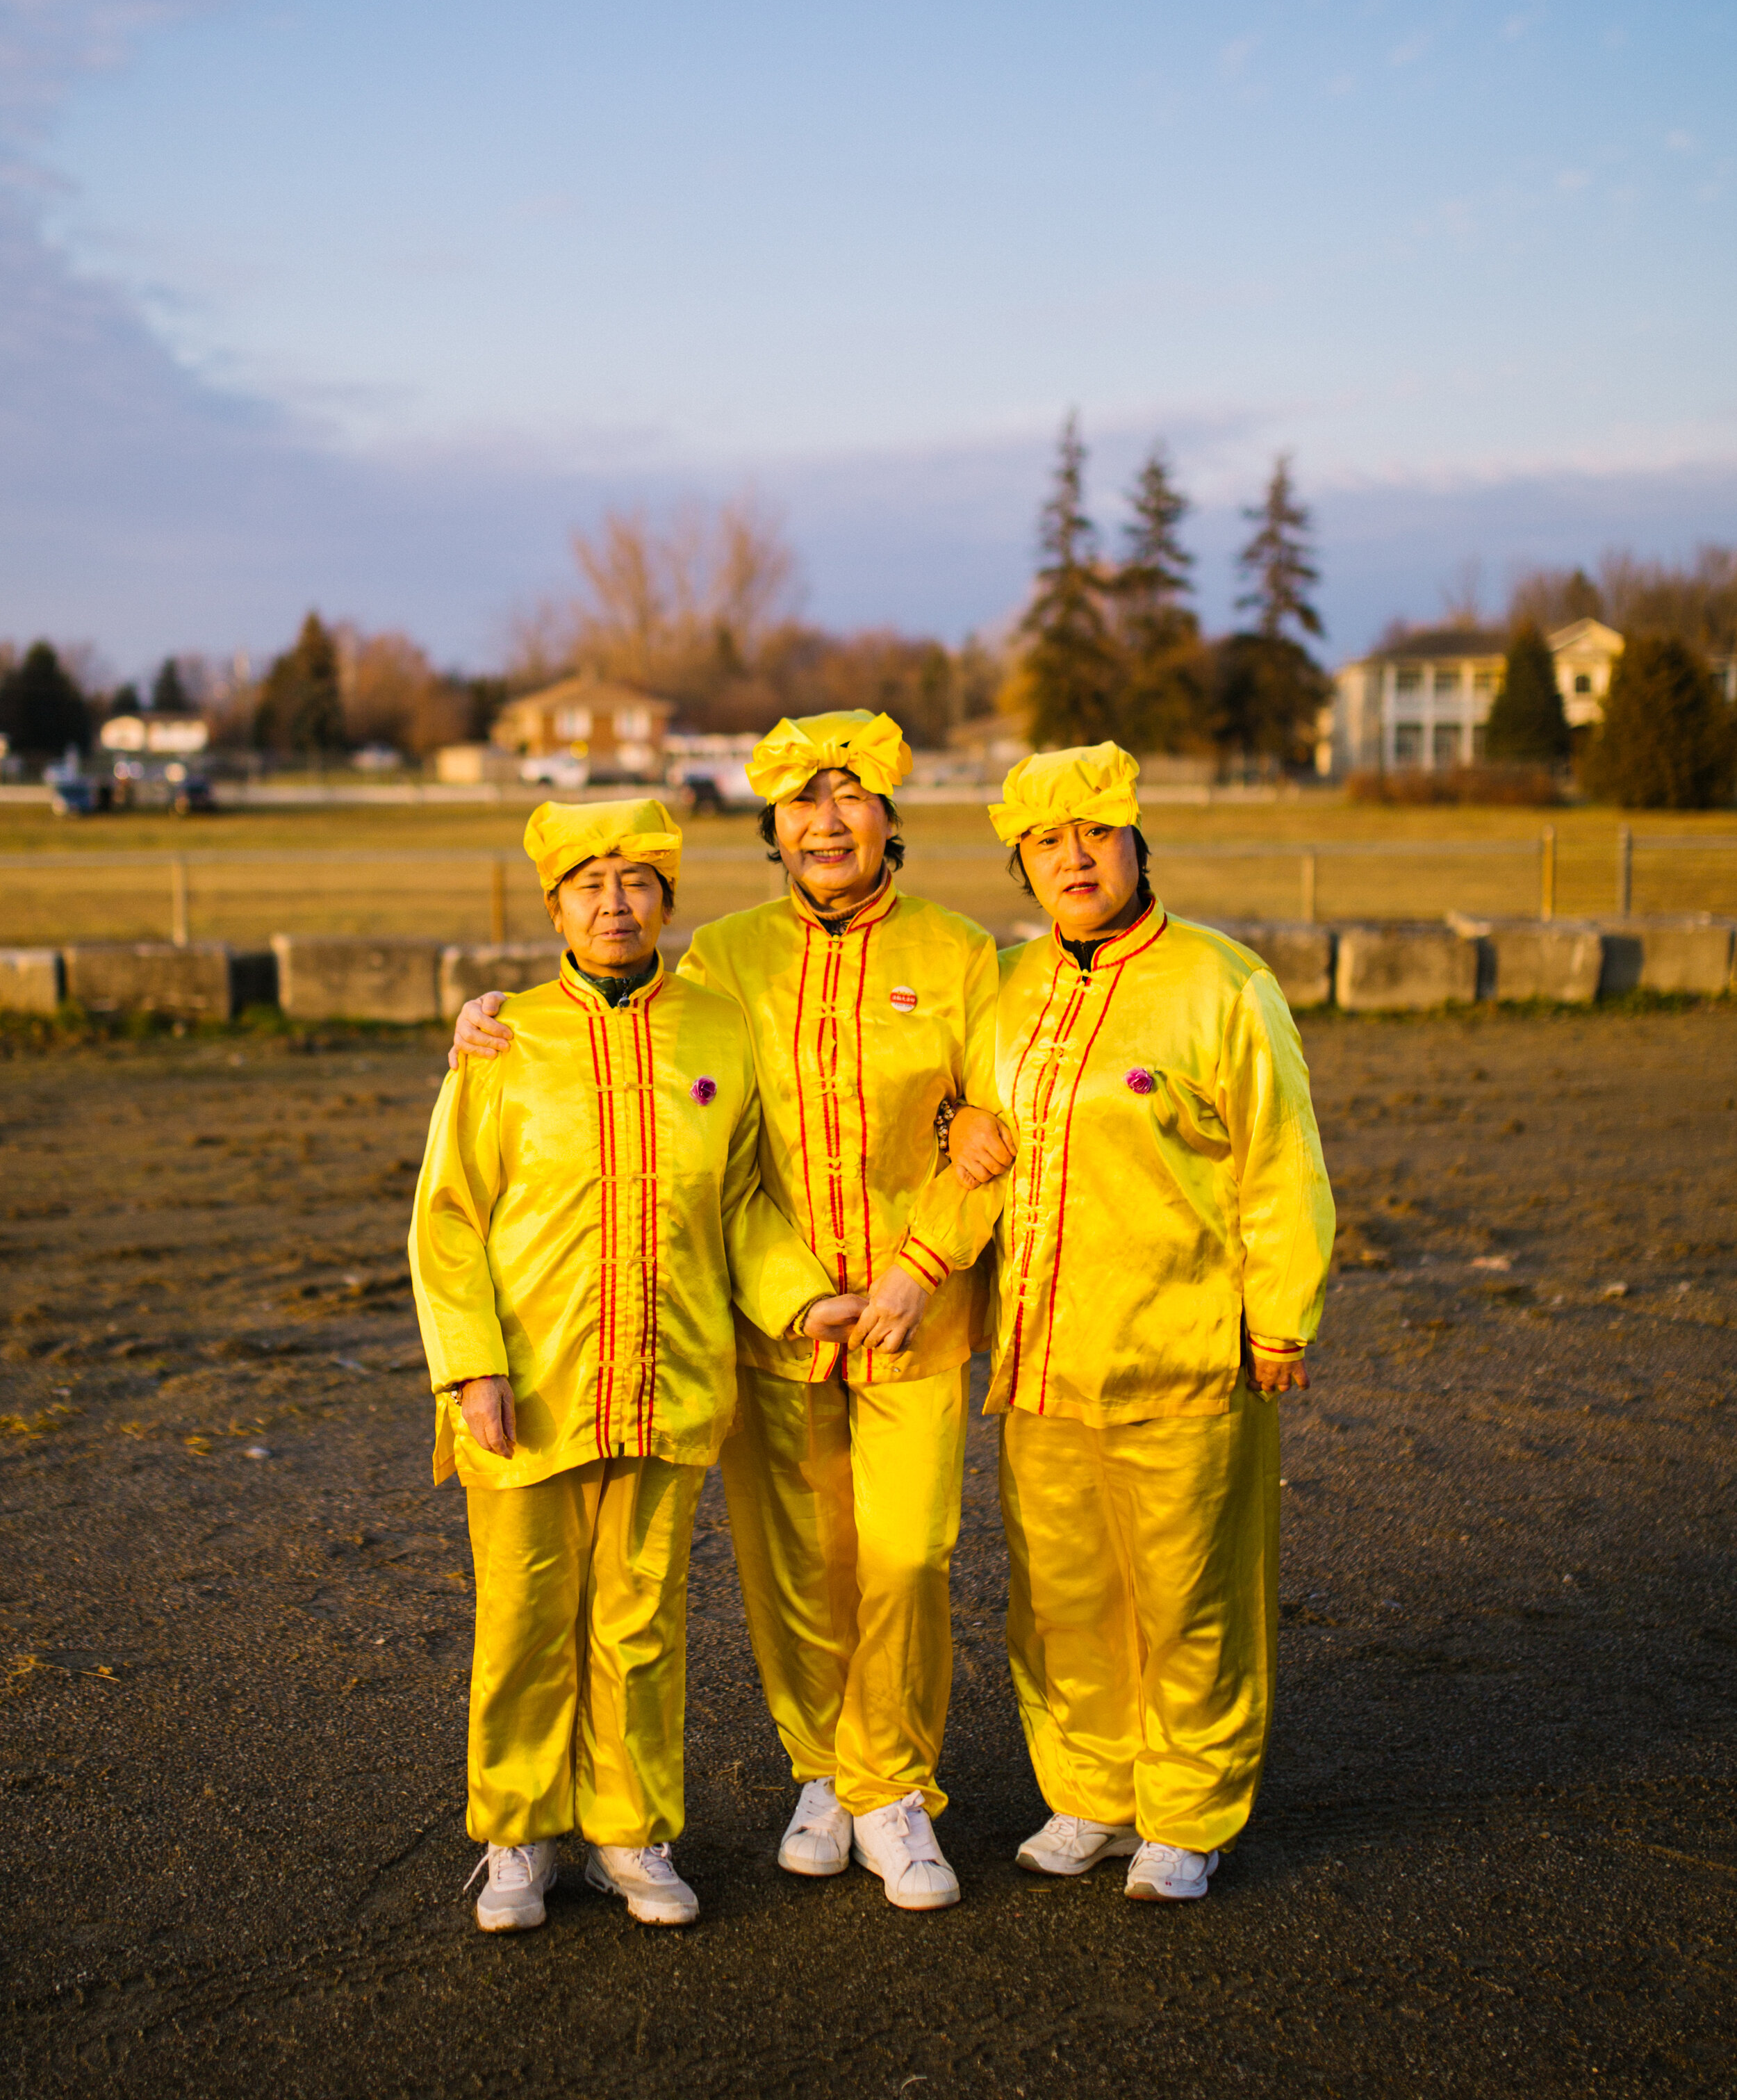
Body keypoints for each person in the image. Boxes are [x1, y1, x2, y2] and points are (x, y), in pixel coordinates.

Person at [452, 711, 1012, 1912]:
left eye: (850, 796)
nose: (826, 820)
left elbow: (999, 1131)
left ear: (890, 817)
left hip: (911, 1309)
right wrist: (478, 1022)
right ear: (769, 828)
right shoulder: (719, 963)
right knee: (795, 1569)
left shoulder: (966, 956)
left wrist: (921, 1260)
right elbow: (639, 1089)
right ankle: (821, 1769)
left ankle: (890, 1787)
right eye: (801, 804)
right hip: (769, 1333)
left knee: (907, 1556)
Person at [409, 798, 857, 1935]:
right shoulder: (505, 1037)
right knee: (521, 1617)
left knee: (642, 1618)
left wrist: (803, 1295)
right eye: (590, 883)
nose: (615, 904)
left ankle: (627, 1828)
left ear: (668, 895)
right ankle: (516, 1834)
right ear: (554, 902)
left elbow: (746, 1201)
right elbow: (449, 1218)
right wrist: (471, 1368)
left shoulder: (716, 1030)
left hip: (671, 1375)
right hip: (533, 1385)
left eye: (637, 881)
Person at [918, 742, 1335, 1904]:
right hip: (1044, 1363)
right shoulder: (1001, 987)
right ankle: (1091, 1795)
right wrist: (955, 1117)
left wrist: (1280, 1314)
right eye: (1047, 843)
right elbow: (948, 1108)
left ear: (1140, 842)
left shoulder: (1222, 984)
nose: (1075, 858)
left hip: (1184, 1357)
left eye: (1096, 834)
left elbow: (1279, 1161)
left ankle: (1189, 1810)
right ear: (1022, 866)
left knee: (1191, 1596)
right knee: (1062, 1599)